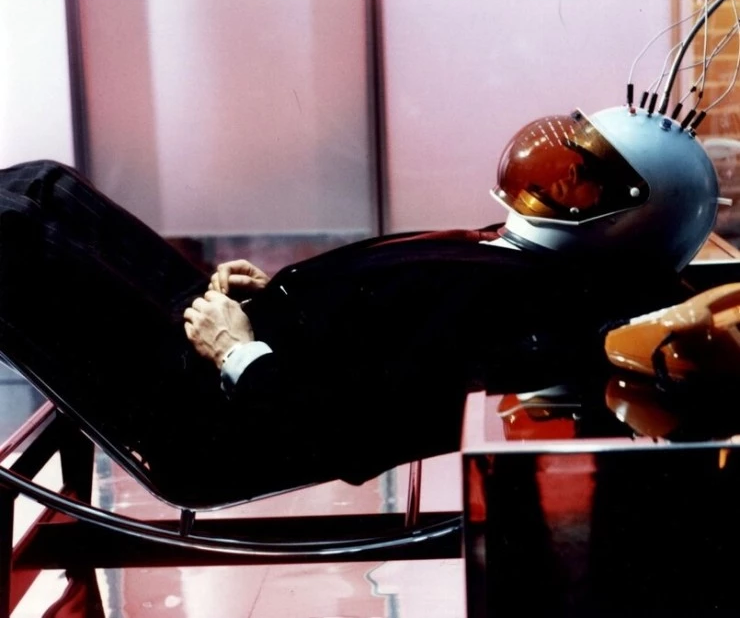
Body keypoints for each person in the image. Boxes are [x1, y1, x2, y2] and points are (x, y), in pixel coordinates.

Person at [0, 105, 727, 505]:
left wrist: (238, 350)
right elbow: (388, 311)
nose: (552, 181)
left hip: (214, 411)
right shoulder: (528, 260)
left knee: (12, 227)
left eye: (579, 181)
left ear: (633, 220)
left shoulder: (535, 316)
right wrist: (279, 291)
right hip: (237, 346)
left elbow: (347, 430)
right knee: (43, 184)